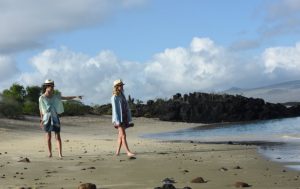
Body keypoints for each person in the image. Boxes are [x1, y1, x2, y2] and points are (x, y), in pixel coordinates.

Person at [39, 79, 82, 158]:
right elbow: (41, 109)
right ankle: (50, 153)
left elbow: (66, 98)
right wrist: (41, 120)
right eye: (50, 86)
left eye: (52, 86)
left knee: (57, 136)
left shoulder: (55, 96)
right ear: (46, 86)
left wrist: (76, 96)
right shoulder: (42, 98)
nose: (51, 88)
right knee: (48, 136)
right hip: (46, 118)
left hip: (55, 117)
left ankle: (60, 154)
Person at [111, 79, 135, 157]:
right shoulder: (114, 97)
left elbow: (125, 107)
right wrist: (117, 121)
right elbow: (115, 110)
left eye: (122, 85)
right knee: (123, 135)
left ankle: (117, 152)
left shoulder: (122, 95)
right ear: (116, 87)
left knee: (120, 135)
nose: (121, 86)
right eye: (120, 85)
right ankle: (128, 152)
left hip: (124, 117)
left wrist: (128, 119)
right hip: (118, 119)